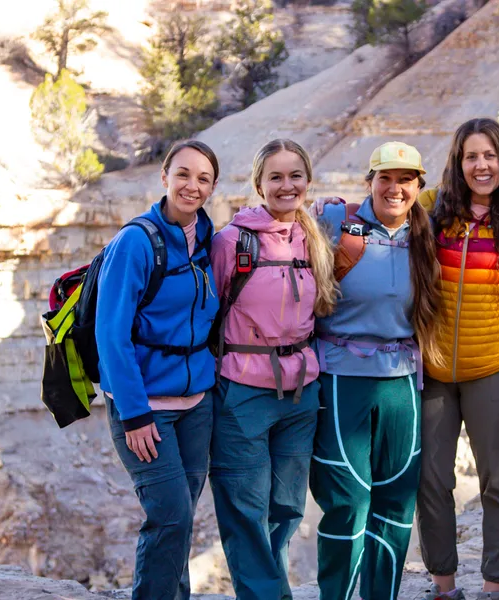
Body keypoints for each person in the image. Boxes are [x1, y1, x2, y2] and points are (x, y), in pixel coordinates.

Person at [415, 117, 499, 600]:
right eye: (471, 156)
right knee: (431, 480)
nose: (481, 165)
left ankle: (493, 588)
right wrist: (337, 211)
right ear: (458, 163)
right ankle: (443, 587)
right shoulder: (432, 210)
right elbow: (381, 214)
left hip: (495, 369)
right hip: (432, 371)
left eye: (489, 155)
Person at [309, 142, 443, 600]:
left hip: (402, 381)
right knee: (348, 502)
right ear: (370, 182)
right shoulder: (335, 221)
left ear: (419, 187)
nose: (395, 188)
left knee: (395, 504)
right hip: (341, 378)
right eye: (385, 178)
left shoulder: (427, 233)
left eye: (406, 179)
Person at [209, 139, 338, 599]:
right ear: (259, 184)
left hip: (302, 394)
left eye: (295, 176)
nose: (287, 185)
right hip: (243, 391)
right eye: (276, 177)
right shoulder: (231, 242)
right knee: (244, 509)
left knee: (286, 507)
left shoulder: (314, 236)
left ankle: (269, 589)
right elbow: (208, 312)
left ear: (308, 180)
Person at [97, 140, 222, 600]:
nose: (192, 186)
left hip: (196, 405)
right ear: (164, 176)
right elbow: (111, 334)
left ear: (212, 188)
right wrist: (134, 414)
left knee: (181, 518)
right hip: (146, 409)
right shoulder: (136, 242)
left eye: (203, 178)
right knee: (169, 517)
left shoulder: (208, 240)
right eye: (183, 174)